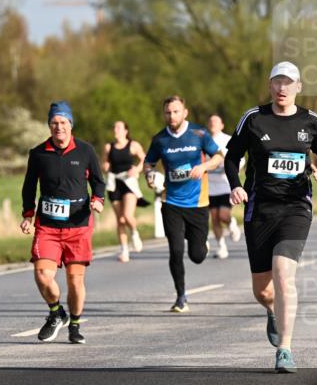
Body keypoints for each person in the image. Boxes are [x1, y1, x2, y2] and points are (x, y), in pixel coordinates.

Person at [225, 61, 317, 373]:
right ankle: (273, 311)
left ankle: (285, 349)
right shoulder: (253, 118)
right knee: (262, 289)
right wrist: (235, 186)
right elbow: (232, 157)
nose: (282, 88)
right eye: (277, 82)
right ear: (270, 85)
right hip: (259, 208)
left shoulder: (310, 121)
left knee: (284, 274)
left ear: (298, 87)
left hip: (296, 207)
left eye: (288, 83)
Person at [21, 101, 104, 346]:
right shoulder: (38, 154)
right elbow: (28, 186)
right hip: (47, 225)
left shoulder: (86, 151)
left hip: (78, 225)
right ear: (49, 126)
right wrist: (27, 214)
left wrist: (98, 200)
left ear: (70, 125)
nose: (59, 127)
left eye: (63, 123)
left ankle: (75, 326)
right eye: (54, 123)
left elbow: (98, 182)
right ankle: (56, 312)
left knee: (75, 281)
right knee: (42, 274)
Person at [143, 96, 224, 313]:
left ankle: (200, 242)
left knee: (197, 256)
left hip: (198, 202)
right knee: (176, 250)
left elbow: (219, 156)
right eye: (168, 112)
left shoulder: (198, 134)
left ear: (185, 112)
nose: (172, 116)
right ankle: (181, 297)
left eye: (176, 112)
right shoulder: (160, 139)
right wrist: (150, 175)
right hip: (171, 202)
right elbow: (148, 163)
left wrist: (205, 166)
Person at [102, 121, 146, 262]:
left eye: (119, 127)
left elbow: (144, 160)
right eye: (114, 127)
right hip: (114, 183)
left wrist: (137, 169)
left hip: (128, 182)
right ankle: (124, 250)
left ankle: (134, 232)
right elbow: (104, 164)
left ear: (126, 131)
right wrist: (106, 166)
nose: (116, 129)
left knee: (127, 216)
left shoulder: (133, 145)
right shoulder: (109, 147)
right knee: (120, 220)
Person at [206, 114, 242, 259]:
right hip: (210, 185)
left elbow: (241, 159)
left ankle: (231, 222)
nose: (213, 123)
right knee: (214, 217)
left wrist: (232, 169)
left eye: (216, 121)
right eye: (210, 121)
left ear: (221, 125)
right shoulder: (205, 141)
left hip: (225, 184)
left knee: (223, 215)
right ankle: (221, 247)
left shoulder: (228, 140)